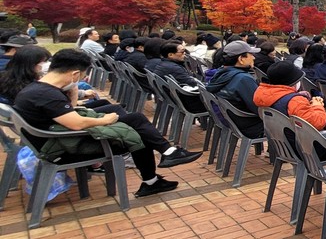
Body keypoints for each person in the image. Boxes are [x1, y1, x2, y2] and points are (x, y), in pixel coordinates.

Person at [13, 49, 201, 197]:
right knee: (136, 125)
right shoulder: (46, 95)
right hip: (66, 146)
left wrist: (72, 88)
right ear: (76, 73)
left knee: (133, 122)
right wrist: (105, 120)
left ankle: (158, 169)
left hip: (55, 139)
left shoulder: (38, 89)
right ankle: (163, 161)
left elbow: (68, 110)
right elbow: (76, 124)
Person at [253, 60, 326, 143]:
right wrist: (317, 106)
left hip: (282, 143)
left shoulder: (265, 96)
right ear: (292, 82)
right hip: (304, 147)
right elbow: (317, 123)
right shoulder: (295, 101)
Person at [206, 41, 262, 138]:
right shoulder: (243, 79)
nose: (254, 57)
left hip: (230, 120)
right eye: (251, 54)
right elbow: (258, 108)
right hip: (247, 125)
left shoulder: (220, 73)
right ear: (241, 59)